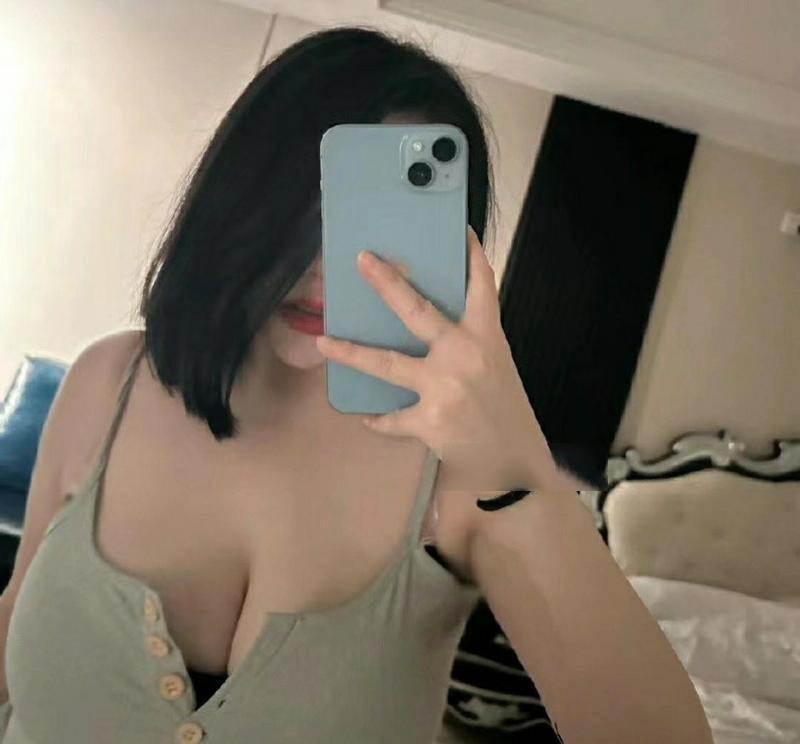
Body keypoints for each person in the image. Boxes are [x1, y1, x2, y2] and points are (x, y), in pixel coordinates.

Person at [0, 26, 713, 744]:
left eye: (371, 219)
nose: (322, 263)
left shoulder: (456, 481)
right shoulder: (107, 384)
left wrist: (517, 467)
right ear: (237, 200)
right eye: (297, 206)